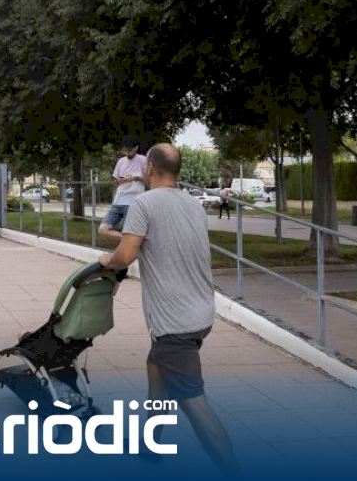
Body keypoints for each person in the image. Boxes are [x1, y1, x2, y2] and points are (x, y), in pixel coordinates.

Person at [98, 143, 240, 475]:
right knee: (156, 368)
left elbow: (125, 256)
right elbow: (161, 241)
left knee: (195, 405)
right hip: (201, 311)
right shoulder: (192, 204)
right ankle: (150, 445)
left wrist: (105, 259)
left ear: (149, 168)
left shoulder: (143, 203)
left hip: (175, 323)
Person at [99, 136, 147, 240]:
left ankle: (130, 244)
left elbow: (150, 180)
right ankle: (132, 242)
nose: (128, 151)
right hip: (118, 201)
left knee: (128, 232)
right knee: (103, 230)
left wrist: (136, 178)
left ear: (136, 147)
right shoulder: (121, 161)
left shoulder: (143, 160)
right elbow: (114, 182)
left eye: (130, 149)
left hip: (133, 202)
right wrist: (120, 181)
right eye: (126, 149)